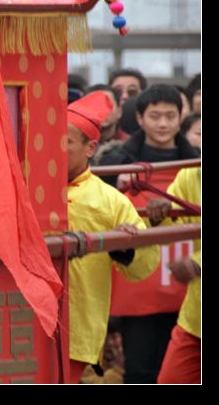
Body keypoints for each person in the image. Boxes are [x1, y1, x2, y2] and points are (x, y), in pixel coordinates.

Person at [96, 84, 199, 383]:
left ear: (182, 116)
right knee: (142, 370)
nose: (163, 123)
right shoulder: (113, 161)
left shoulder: (192, 162)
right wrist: (158, 214)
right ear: (139, 118)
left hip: (187, 292)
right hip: (143, 284)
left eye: (170, 115)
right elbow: (168, 226)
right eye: (155, 116)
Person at [64, 91, 159, 384]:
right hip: (25, 318)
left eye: (65, 142)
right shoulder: (28, 187)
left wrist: (123, 247)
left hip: (79, 322)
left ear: (90, 147)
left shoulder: (110, 200)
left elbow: (146, 263)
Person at [147, 167, 201, 383]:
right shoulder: (190, 176)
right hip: (195, 319)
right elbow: (167, 234)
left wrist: (197, 263)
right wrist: (161, 215)